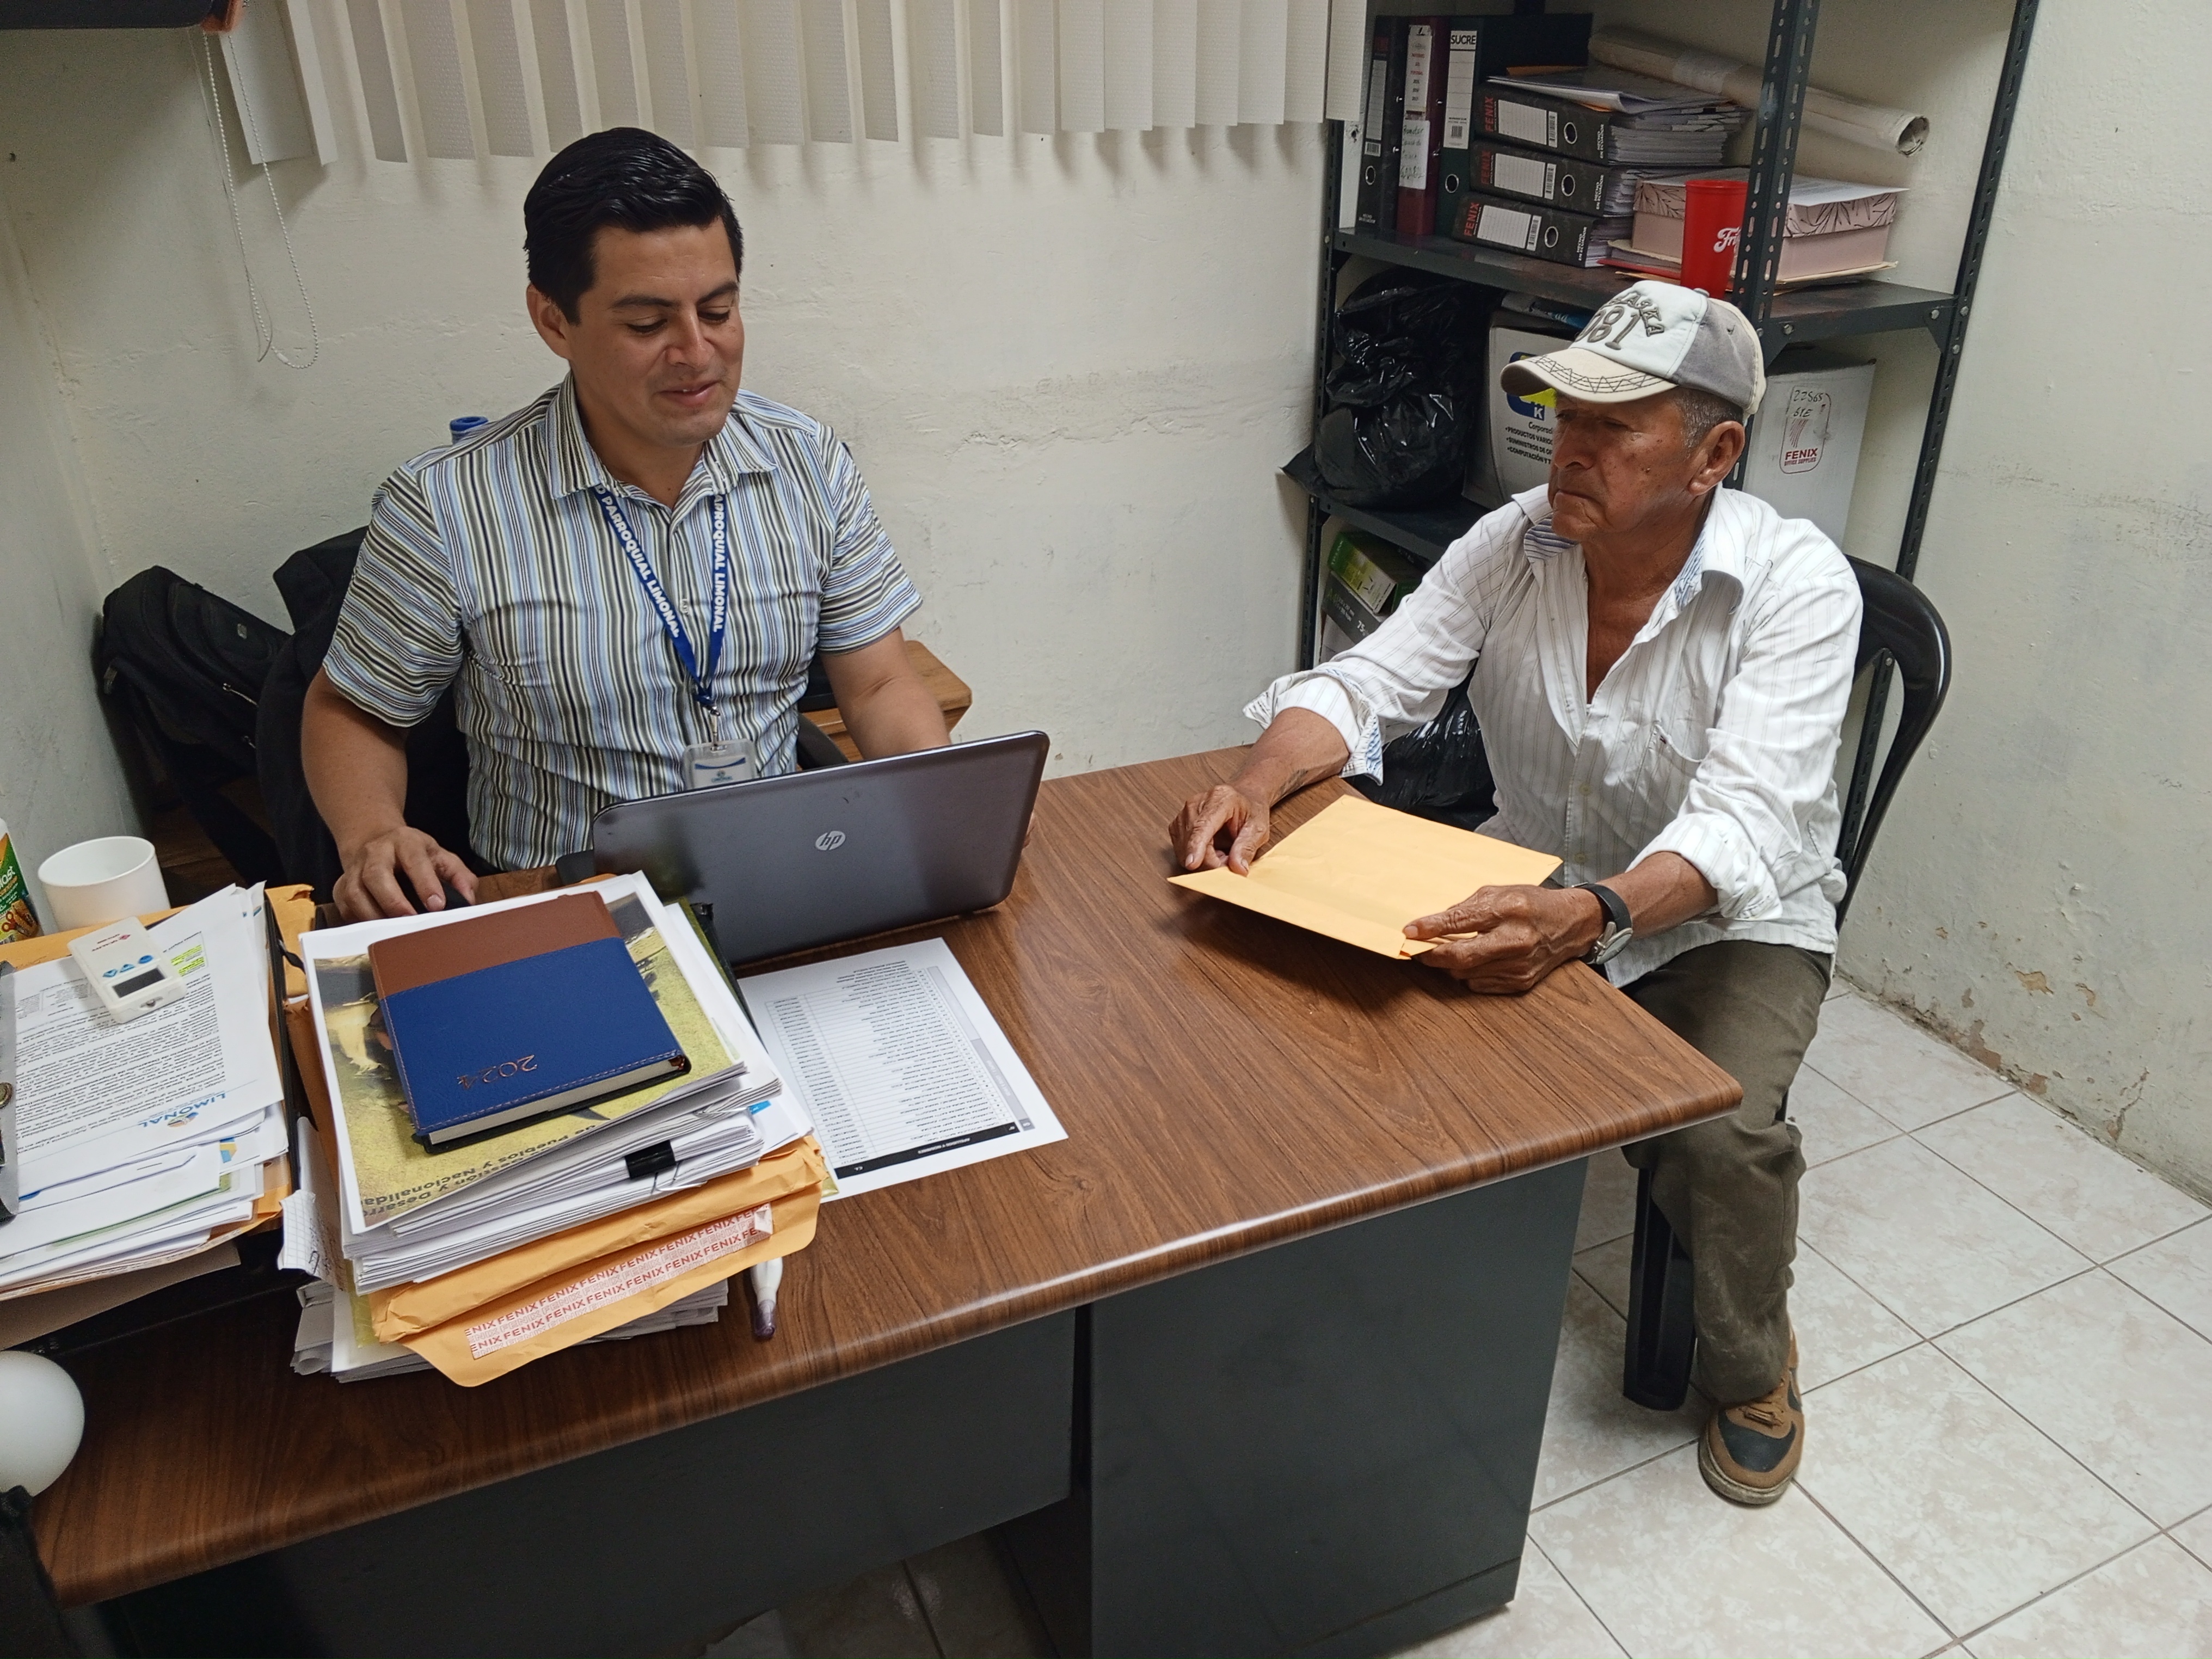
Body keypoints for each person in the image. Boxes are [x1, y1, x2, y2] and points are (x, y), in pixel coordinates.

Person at [1170, 281, 1860, 1507]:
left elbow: (1747, 825)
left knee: (1719, 1135)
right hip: (1536, 871)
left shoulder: (1795, 586)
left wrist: (1595, 919)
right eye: (1563, 415)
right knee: (1344, 1033)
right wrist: (1259, 781)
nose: (1568, 450)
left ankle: (1755, 1368)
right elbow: (1372, 678)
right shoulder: (1515, 542)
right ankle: (1384, 1316)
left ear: (1714, 455)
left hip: (1722, 919)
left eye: (1613, 427)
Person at [304, 128, 949, 921]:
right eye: (648, 324)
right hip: (565, 903)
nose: (697, 352)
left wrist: (938, 800)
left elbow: (880, 682)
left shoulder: (807, 462)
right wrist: (372, 833)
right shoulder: (447, 505)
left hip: (780, 878)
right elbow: (351, 709)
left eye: (718, 310)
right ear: (554, 321)